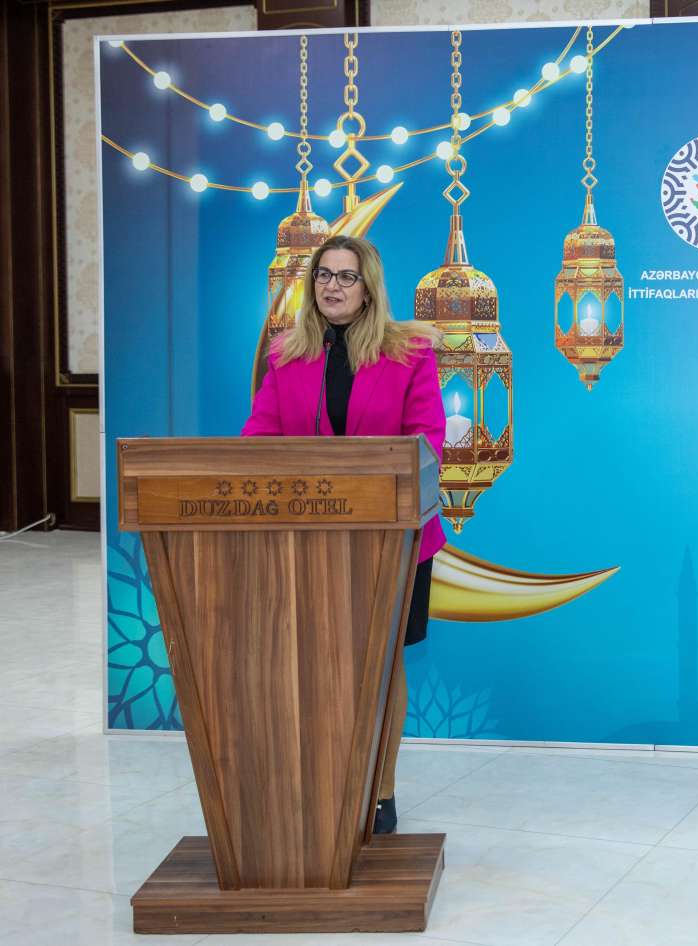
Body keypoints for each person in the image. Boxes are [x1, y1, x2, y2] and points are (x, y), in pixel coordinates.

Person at [242, 234, 445, 835]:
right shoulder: (285, 354)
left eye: (346, 276)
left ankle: (380, 791)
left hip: (394, 540)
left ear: (368, 288)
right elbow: (259, 438)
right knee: (313, 660)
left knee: (382, 662)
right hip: (307, 541)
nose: (333, 286)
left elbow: (427, 440)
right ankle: (320, 785)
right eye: (324, 275)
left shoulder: (409, 354)